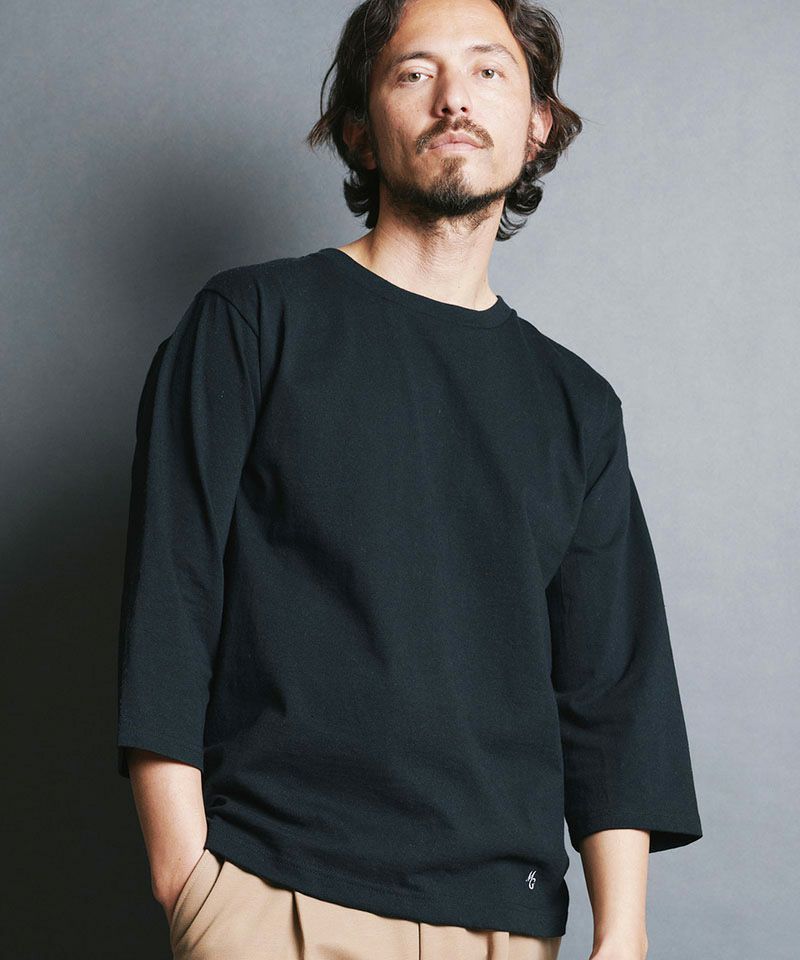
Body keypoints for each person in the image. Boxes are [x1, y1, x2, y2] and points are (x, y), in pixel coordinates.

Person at [116, 0, 703, 957]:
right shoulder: (252, 323)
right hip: (277, 900)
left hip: (506, 927)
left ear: (536, 123)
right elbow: (170, 605)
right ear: (360, 127)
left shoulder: (578, 405)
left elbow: (613, 688)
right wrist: (190, 884)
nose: (454, 98)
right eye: (414, 72)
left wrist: (623, 934)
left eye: (488, 70)